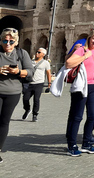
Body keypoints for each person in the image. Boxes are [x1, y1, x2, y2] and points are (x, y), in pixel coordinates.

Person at [64, 28, 94, 156]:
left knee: (92, 115)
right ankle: (72, 144)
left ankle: (86, 143)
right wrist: (85, 56)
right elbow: (69, 63)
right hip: (81, 86)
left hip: (92, 86)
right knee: (77, 116)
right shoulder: (82, 50)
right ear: (89, 38)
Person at [0, 28, 33, 163]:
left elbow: (30, 72)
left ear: (16, 41)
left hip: (13, 93)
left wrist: (18, 71)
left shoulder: (21, 53)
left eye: (11, 41)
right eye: (5, 41)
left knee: (4, 121)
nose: (8, 44)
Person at [22, 47, 51, 122]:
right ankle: (27, 109)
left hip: (39, 83)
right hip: (30, 83)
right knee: (25, 98)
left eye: (39, 52)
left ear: (43, 54)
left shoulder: (46, 63)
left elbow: (48, 73)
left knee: (36, 99)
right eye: (36, 52)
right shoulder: (30, 62)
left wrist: (49, 83)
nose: (36, 53)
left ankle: (35, 115)